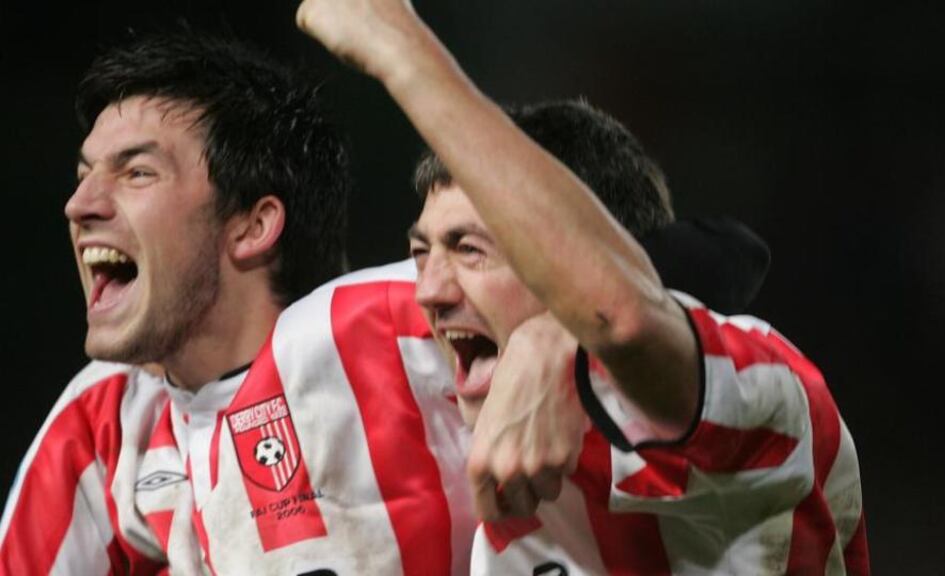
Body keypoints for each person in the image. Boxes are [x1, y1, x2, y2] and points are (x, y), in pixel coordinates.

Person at [2, 23, 771, 576]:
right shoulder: (103, 423)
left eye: (136, 173)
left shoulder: (378, 328)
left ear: (254, 223)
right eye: (84, 172)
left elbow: (706, 259)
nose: (79, 204)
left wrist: (555, 336)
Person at [297, 0, 869, 574]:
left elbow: (628, 314)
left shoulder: (763, 384)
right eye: (423, 253)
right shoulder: (421, 355)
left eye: (471, 249)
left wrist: (401, 49)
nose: (430, 292)